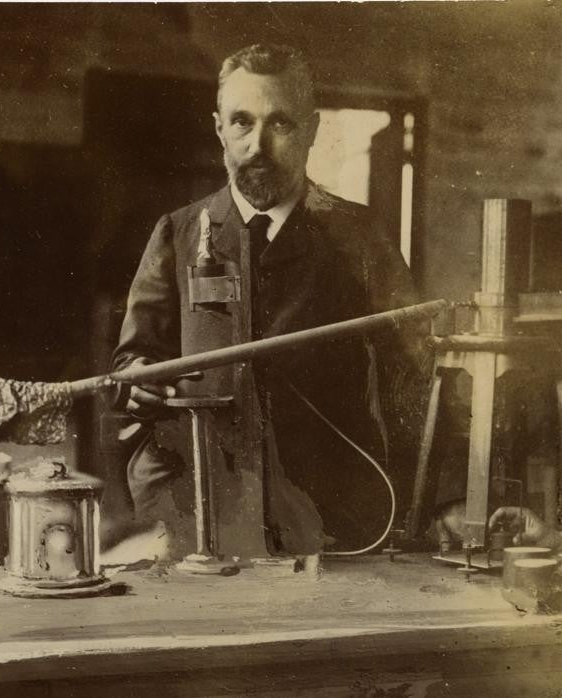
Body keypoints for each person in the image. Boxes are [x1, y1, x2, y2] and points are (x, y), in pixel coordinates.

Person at [111, 44, 422, 555]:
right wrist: (138, 381)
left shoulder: (358, 236)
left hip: (330, 514)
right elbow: (130, 362)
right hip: (199, 507)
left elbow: (414, 375)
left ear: (313, 130)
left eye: (280, 123)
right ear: (219, 129)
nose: (257, 145)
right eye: (242, 123)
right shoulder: (178, 234)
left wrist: (441, 496)